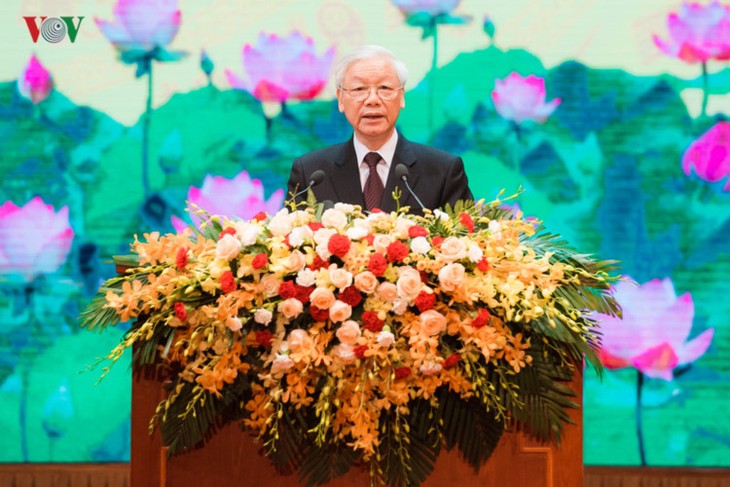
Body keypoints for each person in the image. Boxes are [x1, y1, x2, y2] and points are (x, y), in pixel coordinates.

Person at [287, 45, 473, 213]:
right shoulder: (311, 173)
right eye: (359, 89)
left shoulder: (443, 170)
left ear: (401, 96)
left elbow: (467, 241)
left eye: (384, 88)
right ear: (341, 99)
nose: (372, 100)